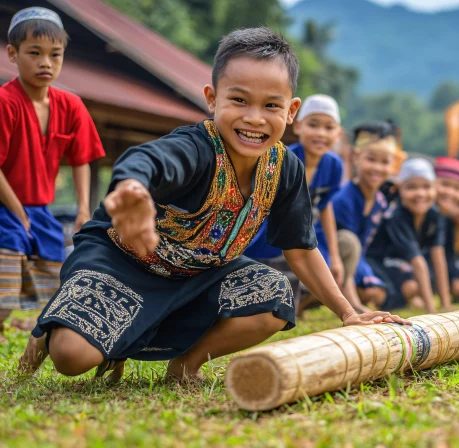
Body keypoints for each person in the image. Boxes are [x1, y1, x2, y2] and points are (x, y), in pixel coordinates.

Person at [19, 27, 407, 381]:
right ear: (211, 98)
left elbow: (301, 249)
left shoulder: (286, 168)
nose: (254, 119)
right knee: (71, 358)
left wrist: (348, 312)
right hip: (123, 263)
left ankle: (186, 366)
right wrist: (132, 188)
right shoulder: (196, 147)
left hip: (198, 275)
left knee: (273, 295)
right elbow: (148, 160)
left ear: (291, 112)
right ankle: (60, 319)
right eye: (238, 100)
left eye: (271, 106)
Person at [0, 7, 106, 343]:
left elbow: (81, 159)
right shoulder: (4, 102)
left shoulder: (71, 105)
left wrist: (84, 210)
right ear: (13, 55)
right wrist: (16, 209)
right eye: (34, 53)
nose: (46, 62)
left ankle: (47, 337)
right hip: (5, 206)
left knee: (53, 286)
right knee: (5, 291)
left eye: (55, 54)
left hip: (41, 209)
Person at [244, 94, 347, 311]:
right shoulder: (284, 159)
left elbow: (325, 206)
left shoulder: (334, 166)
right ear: (298, 126)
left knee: (324, 272)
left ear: (338, 133)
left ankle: (299, 308)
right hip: (271, 234)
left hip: (305, 237)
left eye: (329, 127)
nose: (320, 133)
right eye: (313, 125)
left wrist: (335, 256)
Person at [365, 159, 450, 312]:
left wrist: (446, 303)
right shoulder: (395, 216)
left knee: (419, 280)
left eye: (426, 187)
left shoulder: (435, 215)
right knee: (403, 288)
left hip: (404, 266)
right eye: (411, 187)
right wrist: (432, 311)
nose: (420, 194)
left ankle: (412, 299)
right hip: (380, 263)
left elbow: (438, 255)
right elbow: (416, 261)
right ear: (399, 189)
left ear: (435, 187)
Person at [330, 121, 398, 313]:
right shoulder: (344, 199)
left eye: (384, 162)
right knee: (371, 293)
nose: (377, 168)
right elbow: (349, 249)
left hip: (356, 259)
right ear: (357, 157)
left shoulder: (379, 201)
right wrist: (356, 308)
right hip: (331, 257)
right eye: (371, 159)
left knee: (381, 294)